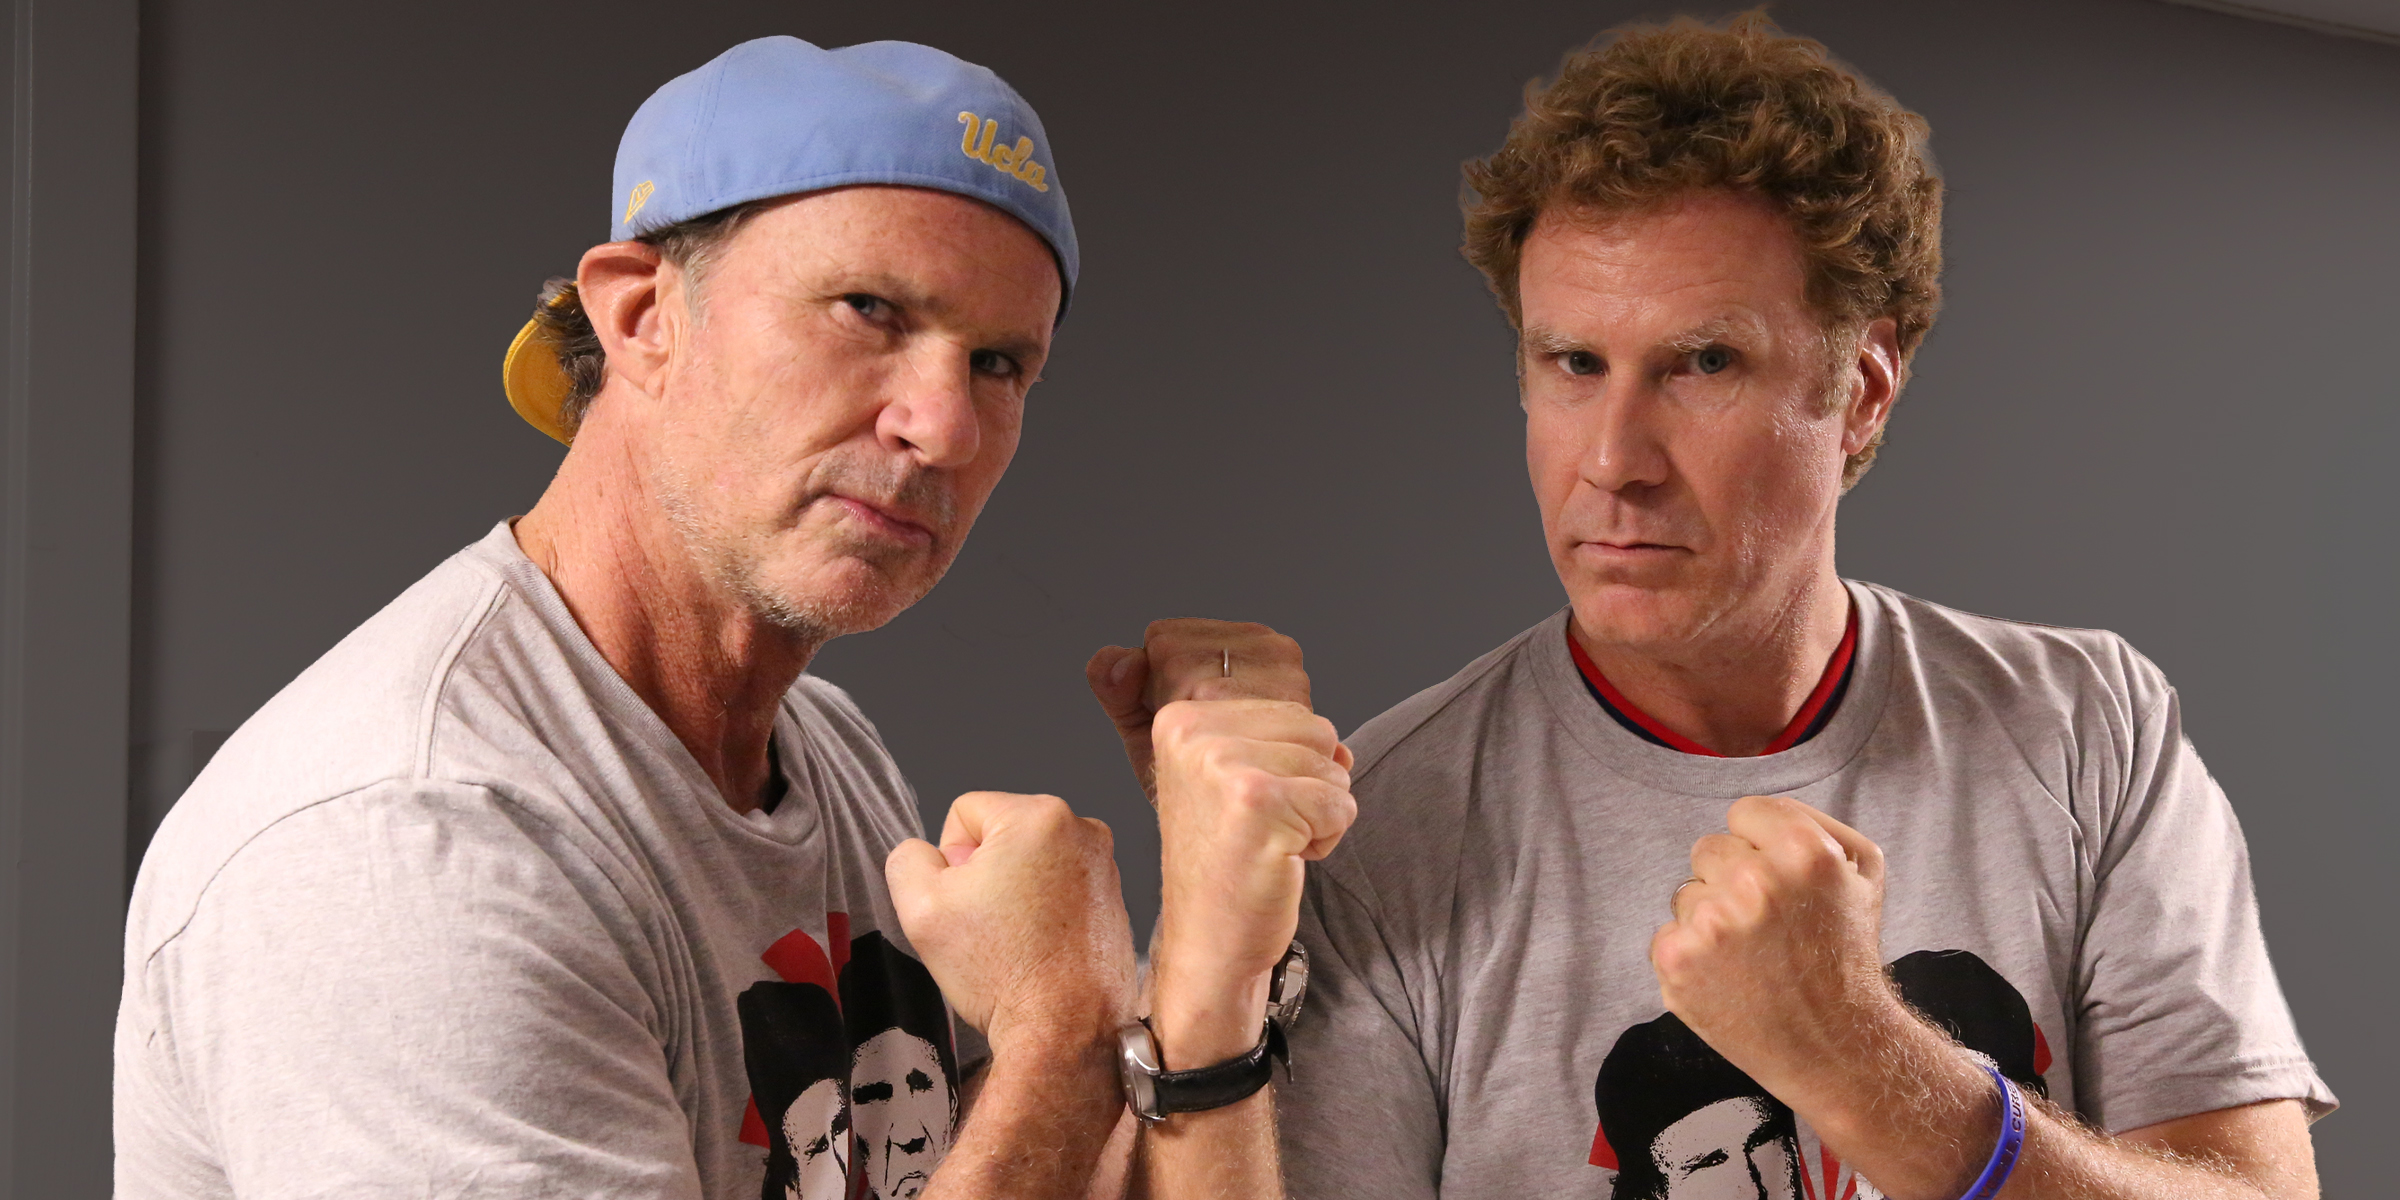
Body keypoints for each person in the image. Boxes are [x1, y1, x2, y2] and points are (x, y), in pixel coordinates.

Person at [1123, 14, 2334, 1200]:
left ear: (1859, 392)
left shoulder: (2086, 729)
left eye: (1704, 364)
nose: (1615, 460)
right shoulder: (1381, 822)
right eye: (1575, 365)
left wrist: (1868, 1063)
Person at [112, 35, 1192, 1200]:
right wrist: (1062, 1035)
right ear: (639, 319)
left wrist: (1219, 912)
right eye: (868, 308)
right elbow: (1053, 1093)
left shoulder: (822, 752)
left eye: (997, 363)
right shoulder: (414, 841)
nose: (945, 427)